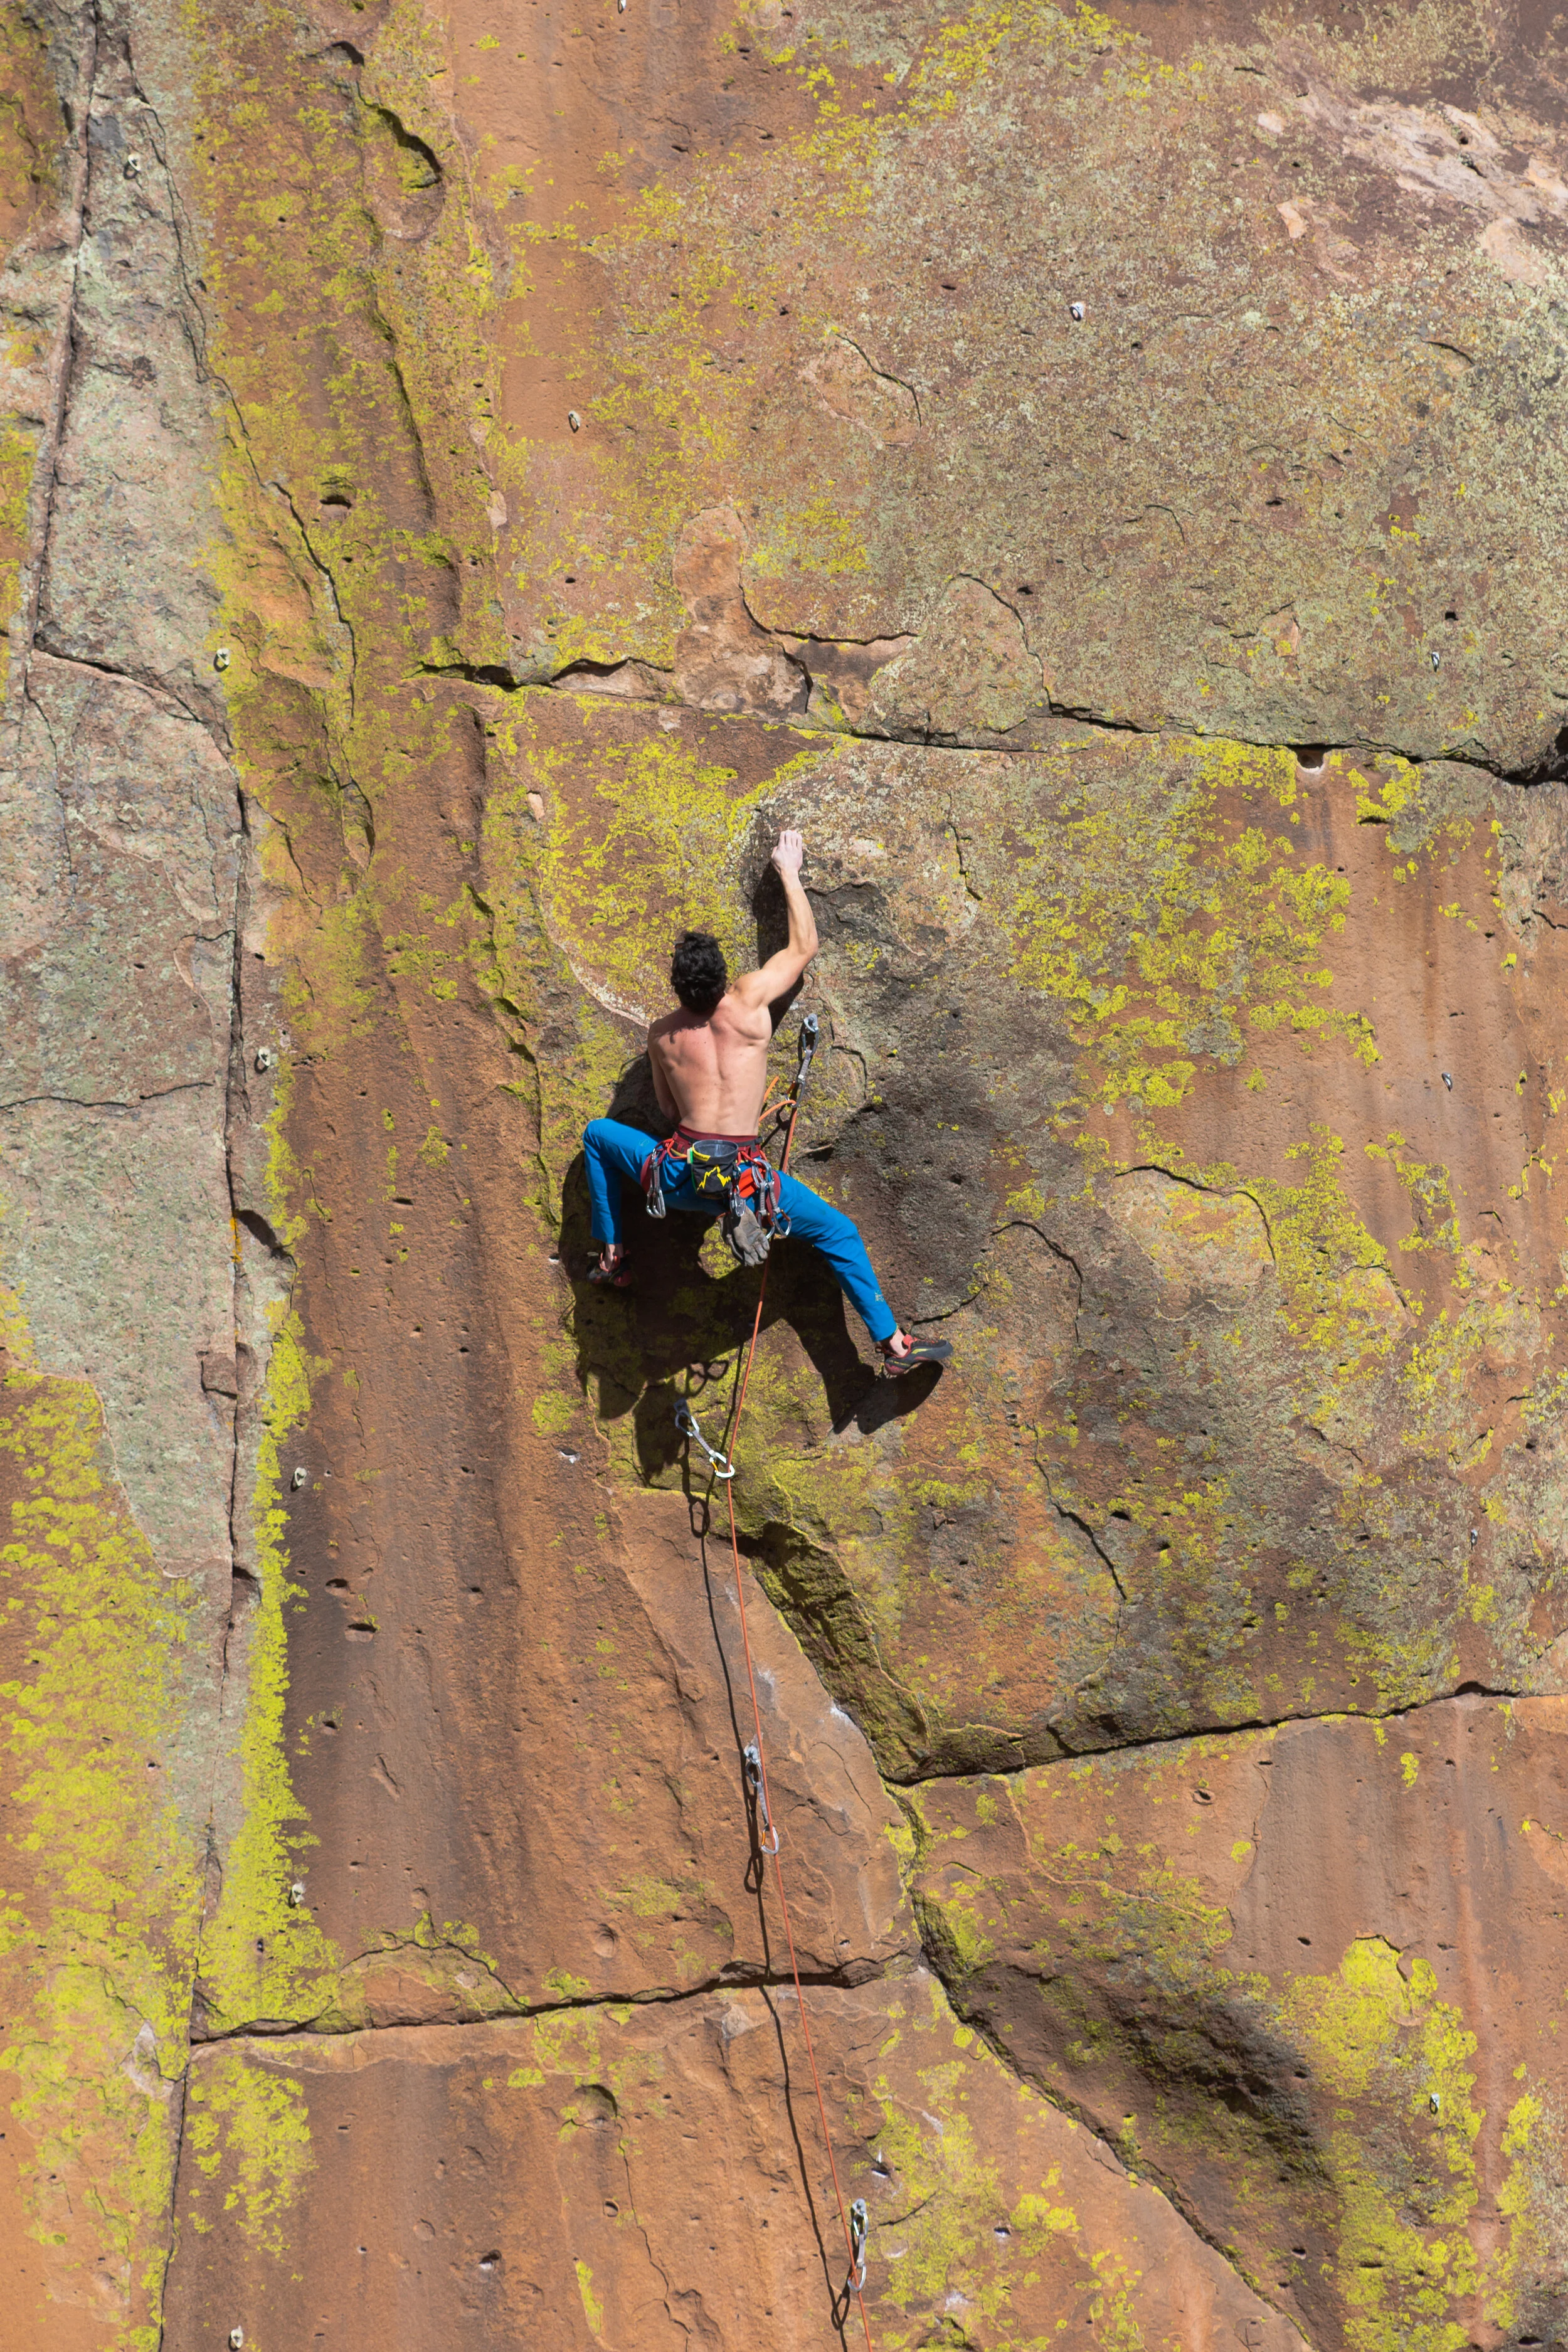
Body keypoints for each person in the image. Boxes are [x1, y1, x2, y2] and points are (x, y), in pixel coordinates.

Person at [581, 828, 951, 1376]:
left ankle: (613, 1258)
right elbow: (803, 947)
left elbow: (666, 1112)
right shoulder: (752, 1003)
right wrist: (788, 874)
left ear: (678, 988)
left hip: (680, 1178)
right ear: (725, 979)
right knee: (839, 1233)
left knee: (597, 1135)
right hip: (749, 1186)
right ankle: (894, 1345)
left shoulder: (663, 1036)